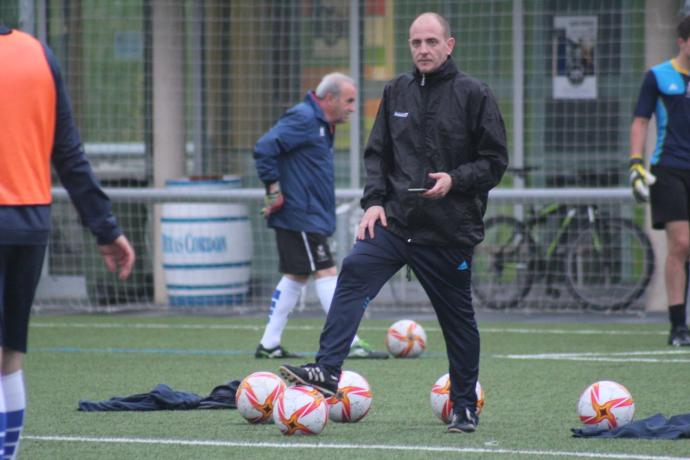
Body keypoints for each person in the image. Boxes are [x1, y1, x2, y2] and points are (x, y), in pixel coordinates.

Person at [279, 12, 508, 434]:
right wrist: (373, 202)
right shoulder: (396, 91)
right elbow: (377, 156)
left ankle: (464, 407)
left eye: (431, 42)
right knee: (354, 271)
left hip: (448, 231)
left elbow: (495, 163)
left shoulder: (474, 93)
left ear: (449, 44)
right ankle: (328, 373)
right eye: (416, 42)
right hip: (396, 222)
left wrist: (455, 180)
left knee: (458, 321)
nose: (423, 49)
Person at [0, 24, 135, 457]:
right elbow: (69, 152)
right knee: (8, 357)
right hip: (29, 224)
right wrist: (106, 228)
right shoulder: (37, 54)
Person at [253, 72, 388, 360]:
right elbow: (264, 147)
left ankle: (269, 344)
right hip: (300, 216)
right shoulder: (303, 119)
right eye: (349, 101)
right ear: (330, 99)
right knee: (326, 272)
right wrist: (273, 187)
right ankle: (349, 342)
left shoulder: (320, 124)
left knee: (295, 276)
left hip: (307, 215)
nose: (352, 108)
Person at [628, 15, 690, 347]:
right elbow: (640, 121)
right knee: (681, 243)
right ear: (682, 41)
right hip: (668, 168)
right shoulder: (658, 76)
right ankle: (678, 326)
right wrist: (636, 163)